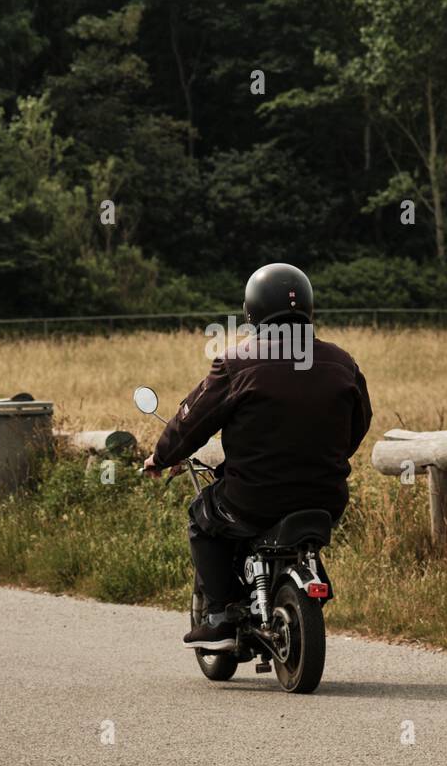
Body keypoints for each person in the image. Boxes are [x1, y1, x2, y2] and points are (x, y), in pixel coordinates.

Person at [143, 263, 372, 651]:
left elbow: (191, 421)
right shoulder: (342, 362)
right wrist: (326, 459)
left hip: (253, 498)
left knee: (202, 516)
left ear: (253, 310)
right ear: (309, 309)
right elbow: (360, 422)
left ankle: (219, 614)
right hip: (326, 497)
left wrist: (162, 457)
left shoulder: (237, 362)